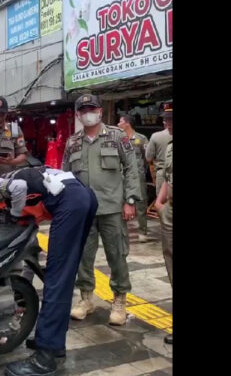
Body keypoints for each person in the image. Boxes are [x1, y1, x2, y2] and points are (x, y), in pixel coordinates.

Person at [0, 166, 98, 376]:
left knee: (57, 278)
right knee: (62, 277)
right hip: (81, 195)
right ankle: (54, 344)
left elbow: (19, 187)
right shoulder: (7, 203)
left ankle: (45, 357)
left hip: (71, 200)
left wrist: (14, 216)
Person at [63, 94, 142, 326]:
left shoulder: (117, 137)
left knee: (117, 255)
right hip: (83, 211)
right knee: (83, 257)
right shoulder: (72, 142)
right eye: (83, 110)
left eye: (92, 109)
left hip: (112, 208)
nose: (88, 113)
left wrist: (130, 200)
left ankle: (119, 300)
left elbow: (132, 168)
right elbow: (66, 177)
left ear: (99, 111)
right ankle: (86, 298)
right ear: (78, 115)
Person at [154, 112, 173, 345]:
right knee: (170, 263)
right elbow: (168, 177)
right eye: (167, 120)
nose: (167, 124)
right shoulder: (169, 147)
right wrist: (159, 203)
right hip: (169, 211)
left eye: (171, 120)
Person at [118, 114, 151, 242]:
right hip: (121, 176)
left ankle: (142, 231)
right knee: (121, 203)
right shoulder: (119, 139)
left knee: (141, 203)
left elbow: (147, 157)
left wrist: (141, 170)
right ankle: (122, 232)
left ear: (127, 123)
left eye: (120, 122)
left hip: (138, 176)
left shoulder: (141, 139)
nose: (118, 124)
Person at [145, 103, 173, 196]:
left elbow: (148, 158)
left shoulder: (156, 136)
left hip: (162, 173)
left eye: (170, 119)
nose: (169, 123)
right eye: (168, 119)